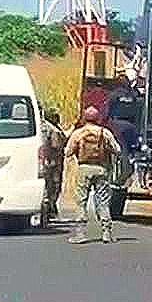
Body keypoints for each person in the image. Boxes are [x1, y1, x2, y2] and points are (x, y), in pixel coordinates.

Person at [65, 105, 121, 244]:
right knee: (103, 201)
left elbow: (67, 152)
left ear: (85, 118)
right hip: (102, 169)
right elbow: (117, 150)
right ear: (98, 118)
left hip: (84, 169)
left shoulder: (79, 133)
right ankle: (106, 232)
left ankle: (81, 233)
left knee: (81, 201)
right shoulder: (105, 132)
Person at [40, 108, 67, 223]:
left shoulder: (40, 126)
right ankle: (48, 210)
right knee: (53, 186)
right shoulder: (54, 130)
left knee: (45, 185)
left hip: (42, 161)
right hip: (53, 162)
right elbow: (56, 145)